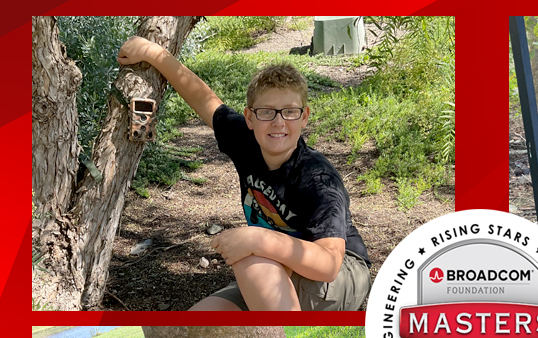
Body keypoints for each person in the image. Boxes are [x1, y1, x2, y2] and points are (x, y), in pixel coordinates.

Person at [117, 37, 372, 311]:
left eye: (290, 112)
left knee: (250, 257)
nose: (278, 122)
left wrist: (258, 239)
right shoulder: (246, 140)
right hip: (275, 266)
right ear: (250, 118)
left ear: (304, 117)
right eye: (267, 112)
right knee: (199, 317)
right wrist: (155, 54)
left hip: (341, 271)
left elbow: (328, 265)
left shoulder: (318, 179)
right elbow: (204, 99)